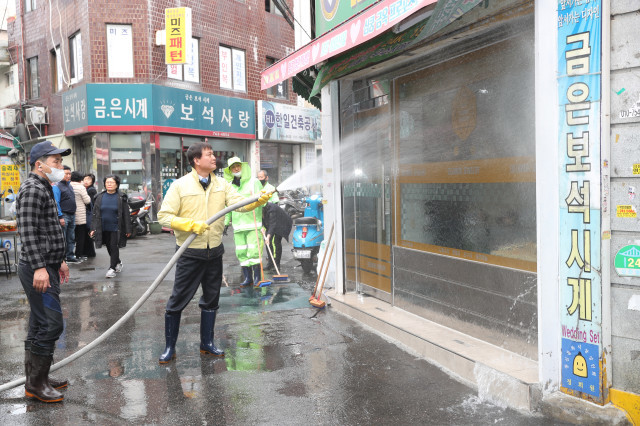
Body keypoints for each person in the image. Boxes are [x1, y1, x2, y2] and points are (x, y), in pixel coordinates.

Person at [157, 142, 270, 364]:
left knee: (211, 300)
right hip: (190, 252)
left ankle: (207, 344)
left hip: (214, 253)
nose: (213, 158)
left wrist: (258, 200)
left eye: (213, 154)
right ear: (196, 160)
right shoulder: (180, 186)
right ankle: (170, 348)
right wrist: (190, 225)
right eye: (208, 155)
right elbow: (164, 216)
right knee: (177, 301)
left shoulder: (222, 184)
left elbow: (239, 205)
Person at [16, 140, 72, 403]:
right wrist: (39, 267)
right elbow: (27, 232)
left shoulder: (45, 186)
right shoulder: (32, 189)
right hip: (36, 268)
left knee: (39, 323)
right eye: (55, 161)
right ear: (40, 164)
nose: (60, 166)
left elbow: (47, 229)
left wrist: (59, 260)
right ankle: (36, 384)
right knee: (51, 323)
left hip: (47, 264)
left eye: (60, 161)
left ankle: (37, 379)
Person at [223, 157, 266, 286]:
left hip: (253, 225)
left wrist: (262, 200)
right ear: (230, 171)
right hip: (238, 226)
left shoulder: (254, 182)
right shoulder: (229, 186)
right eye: (233, 167)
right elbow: (228, 206)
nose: (236, 169)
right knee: (241, 252)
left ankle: (257, 278)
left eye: (238, 166)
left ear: (242, 167)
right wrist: (226, 222)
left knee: (254, 252)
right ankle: (248, 278)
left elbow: (263, 202)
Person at [89, 175, 131, 278]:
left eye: (112, 182)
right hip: (103, 226)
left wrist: (128, 229)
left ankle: (112, 268)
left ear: (117, 184)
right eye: (107, 182)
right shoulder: (99, 197)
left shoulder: (121, 197)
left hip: (116, 226)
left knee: (113, 245)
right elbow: (95, 214)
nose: (109, 184)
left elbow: (126, 214)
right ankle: (118, 262)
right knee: (108, 246)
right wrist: (93, 228)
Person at [57, 166, 80, 263]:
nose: (68, 175)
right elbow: (56, 202)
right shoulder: (57, 186)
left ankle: (70, 256)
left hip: (72, 215)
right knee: (63, 237)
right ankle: (62, 258)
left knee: (71, 237)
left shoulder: (69, 185)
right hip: (64, 215)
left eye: (69, 174)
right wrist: (60, 216)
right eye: (66, 174)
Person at [261, 202, 292, 271]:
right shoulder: (260, 209)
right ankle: (270, 264)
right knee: (267, 242)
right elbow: (261, 219)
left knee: (276, 242)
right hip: (273, 223)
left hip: (282, 223)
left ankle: (277, 265)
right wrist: (262, 227)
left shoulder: (272, 210)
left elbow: (273, 224)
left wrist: (268, 236)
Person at [70, 172, 91, 261]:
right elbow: (87, 200)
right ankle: (78, 254)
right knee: (80, 236)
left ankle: (69, 254)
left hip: (70, 214)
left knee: (70, 236)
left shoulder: (68, 186)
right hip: (80, 214)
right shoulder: (81, 187)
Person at [82, 173, 97, 258]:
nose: (86, 181)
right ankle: (89, 252)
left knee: (88, 233)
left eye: (89, 179)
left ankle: (89, 252)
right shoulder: (87, 189)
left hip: (89, 214)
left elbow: (90, 203)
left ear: (92, 181)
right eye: (85, 179)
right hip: (88, 213)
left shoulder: (91, 190)